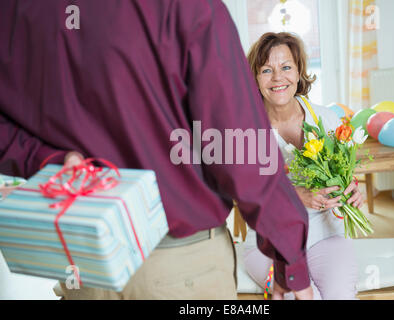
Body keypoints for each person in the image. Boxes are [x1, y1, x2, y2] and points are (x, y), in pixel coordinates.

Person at [0, 1, 313, 299]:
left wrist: (46, 159)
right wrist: (290, 258)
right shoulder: (184, 6)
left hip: (86, 267)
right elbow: (239, 146)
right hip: (179, 266)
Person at [244, 32, 362, 299]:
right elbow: (245, 196)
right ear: (254, 78)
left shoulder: (327, 118)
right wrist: (297, 196)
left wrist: (352, 189)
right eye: (266, 70)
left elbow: (345, 176)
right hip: (268, 243)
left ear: (298, 73)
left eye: (286, 67)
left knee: (339, 295)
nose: (277, 78)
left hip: (325, 235)